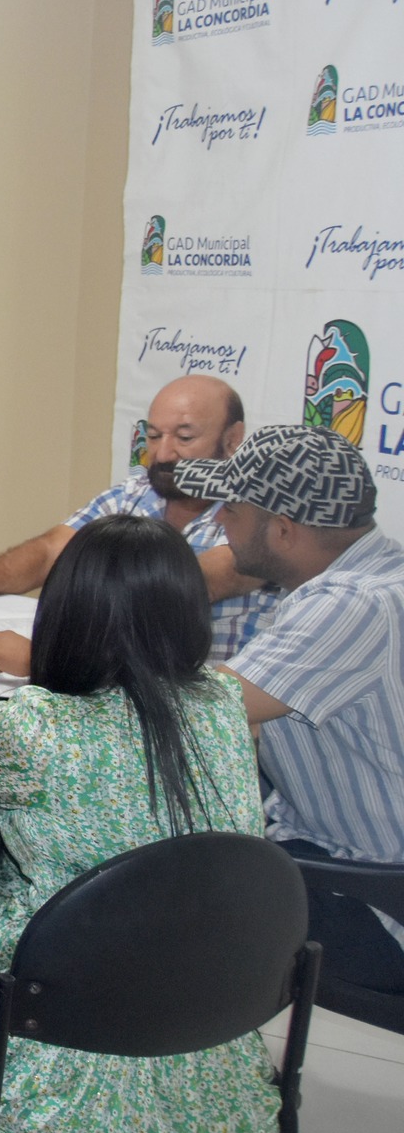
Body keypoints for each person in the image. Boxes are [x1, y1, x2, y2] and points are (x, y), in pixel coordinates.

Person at [0, 515, 278, 1133]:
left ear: (67, 615)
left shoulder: (38, 731)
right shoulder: (221, 701)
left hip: (65, 1012)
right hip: (209, 995)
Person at [175, 426, 404, 994]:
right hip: (338, 852)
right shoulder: (380, 574)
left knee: (137, 889)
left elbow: (197, 711)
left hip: (374, 898)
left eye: (231, 509)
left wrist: (50, 666)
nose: (218, 520)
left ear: (283, 530)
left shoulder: (351, 605)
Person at [0, 374, 275, 674]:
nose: (163, 453)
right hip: (116, 702)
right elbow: (52, 550)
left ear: (232, 439)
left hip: (208, 715)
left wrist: (46, 661)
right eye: (153, 435)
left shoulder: (254, 515)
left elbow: (170, 590)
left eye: (185, 437)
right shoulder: (137, 493)